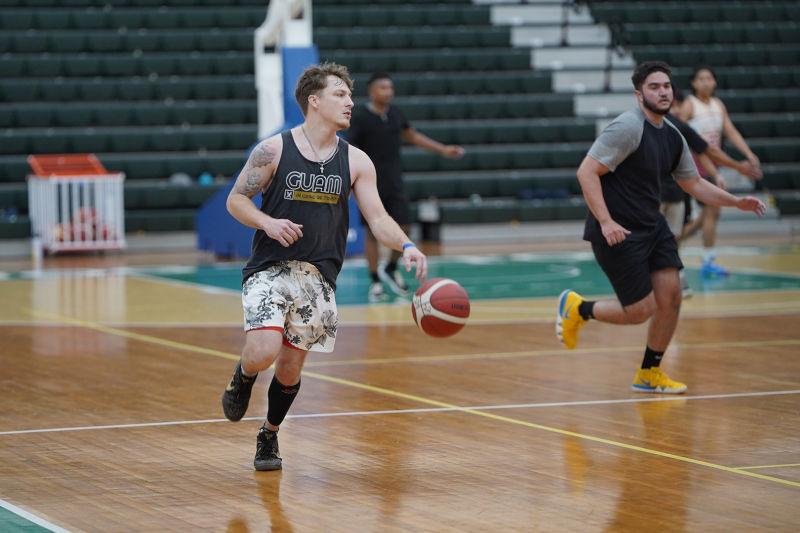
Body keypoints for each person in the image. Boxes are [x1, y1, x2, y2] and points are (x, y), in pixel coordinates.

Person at [221, 62, 428, 471]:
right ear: (314, 101)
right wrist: (268, 222)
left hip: (319, 277)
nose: (350, 102)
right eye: (340, 94)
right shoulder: (273, 149)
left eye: (351, 95)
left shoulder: (357, 160)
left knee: (291, 366)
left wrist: (406, 244)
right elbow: (236, 201)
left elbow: (378, 217)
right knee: (263, 350)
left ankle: (269, 435)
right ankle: (243, 376)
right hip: (270, 268)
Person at [556, 61, 766, 394]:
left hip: (652, 226)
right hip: (618, 231)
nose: (663, 91)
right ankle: (578, 308)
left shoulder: (673, 133)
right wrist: (606, 221)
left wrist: (735, 201)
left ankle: (649, 374)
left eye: (666, 86)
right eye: (654, 87)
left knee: (671, 299)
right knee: (641, 311)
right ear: (639, 94)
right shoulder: (627, 127)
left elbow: (694, 183)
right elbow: (586, 172)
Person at [344, 72, 464, 302]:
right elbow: (348, 146)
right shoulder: (360, 118)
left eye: (390, 87)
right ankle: (375, 280)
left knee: (405, 226)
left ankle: (390, 267)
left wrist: (442, 149)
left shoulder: (396, 114)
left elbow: (412, 136)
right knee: (371, 232)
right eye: (382, 88)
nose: (388, 92)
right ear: (371, 92)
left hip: (394, 181)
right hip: (370, 183)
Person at [660, 86, 763, 295]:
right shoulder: (644, 125)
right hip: (653, 192)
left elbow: (708, 150)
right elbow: (707, 152)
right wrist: (735, 167)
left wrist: (728, 173)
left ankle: (676, 278)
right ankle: (662, 278)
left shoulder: (683, 125)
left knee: (674, 235)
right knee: (660, 236)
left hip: (680, 187)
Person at [677, 65, 762, 277]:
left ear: (715, 82)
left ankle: (670, 245)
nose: (705, 82)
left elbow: (731, 132)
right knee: (713, 212)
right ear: (694, 83)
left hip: (713, 163)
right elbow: (676, 132)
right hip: (696, 163)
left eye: (709, 78)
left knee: (703, 219)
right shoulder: (689, 105)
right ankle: (707, 261)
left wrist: (748, 154)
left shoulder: (718, 105)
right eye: (701, 78)